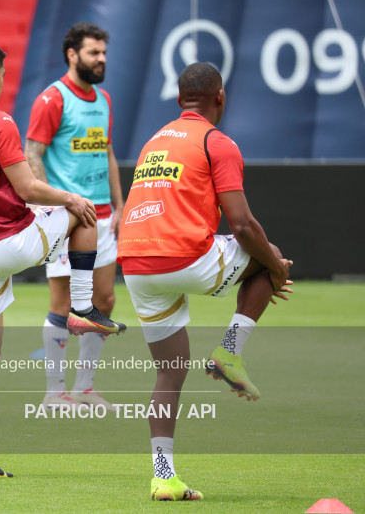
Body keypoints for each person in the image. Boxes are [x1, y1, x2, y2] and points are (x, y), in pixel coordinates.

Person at [0, 39, 126, 478]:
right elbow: (28, 188)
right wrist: (70, 196)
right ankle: (81, 308)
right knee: (83, 212)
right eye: (2, 74)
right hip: (7, 241)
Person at [117, 62, 293, 500]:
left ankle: (163, 477)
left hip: (135, 263)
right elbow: (244, 225)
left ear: (179, 101)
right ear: (221, 98)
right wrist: (275, 267)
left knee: (169, 372)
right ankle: (230, 353)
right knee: (269, 255)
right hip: (183, 255)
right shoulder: (218, 142)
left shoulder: (154, 141)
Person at [26, 22, 124, 410]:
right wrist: (53, 209)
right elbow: (32, 153)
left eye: (103, 52)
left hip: (103, 217)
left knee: (104, 299)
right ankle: (54, 392)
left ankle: (85, 388)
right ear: (72, 54)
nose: (101, 59)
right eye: (93, 53)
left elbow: (108, 153)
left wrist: (120, 204)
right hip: (70, 218)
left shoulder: (104, 99)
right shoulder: (52, 99)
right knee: (63, 302)